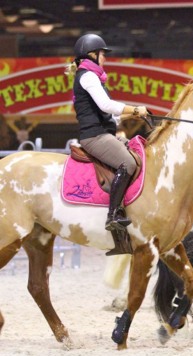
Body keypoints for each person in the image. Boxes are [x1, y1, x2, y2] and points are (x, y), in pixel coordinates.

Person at [66, 33, 147, 253]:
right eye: (103, 54)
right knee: (128, 164)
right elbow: (106, 105)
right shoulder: (88, 76)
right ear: (92, 54)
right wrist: (135, 108)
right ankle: (113, 215)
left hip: (104, 132)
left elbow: (108, 116)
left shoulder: (94, 77)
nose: (105, 58)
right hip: (95, 137)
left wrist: (131, 116)